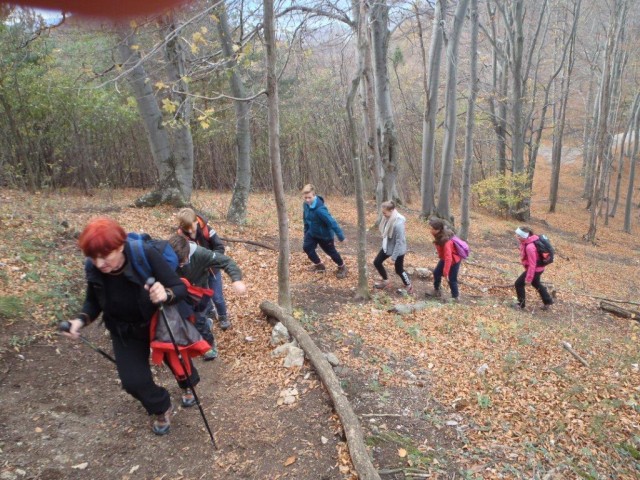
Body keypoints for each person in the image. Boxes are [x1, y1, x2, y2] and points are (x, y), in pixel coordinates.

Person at [62, 217, 194, 436]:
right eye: (93, 257)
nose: (99, 263)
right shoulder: (93, 268)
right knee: (132, 381)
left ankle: (187, 384)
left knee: (179, 361)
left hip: (157, 321)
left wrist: (166, 294)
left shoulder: (144, 254)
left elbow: (179, 288)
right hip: (123, 329)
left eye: (105, 256)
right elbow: (93, 301)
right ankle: (161, 405)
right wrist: (80, 320)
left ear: (120, 246)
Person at [167, 234, 247, 360]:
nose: (180, 266)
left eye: (183, 262)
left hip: (200, 292)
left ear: (188, 254)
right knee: (185, 319)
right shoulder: (165, 255)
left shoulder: (201, 254)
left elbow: (226, 262)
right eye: (178, 263)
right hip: (180, 292)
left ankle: (209, 345)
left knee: (199, 320)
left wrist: (236, 279)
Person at [176, 208, 232, 331]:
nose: (190, 231)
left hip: (213, 269)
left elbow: (219, 247)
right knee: (203, 295)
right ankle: (210, 311)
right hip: (197, 271)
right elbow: (181, 252)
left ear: (196, 221)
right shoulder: (180, 235)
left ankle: (223, 316)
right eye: (187, 228)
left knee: (217, 296)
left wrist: (211, 260)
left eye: (192, 227)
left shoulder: (207, 230)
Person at [301, 184, 348, 278]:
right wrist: (306, 232)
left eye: (309, 197)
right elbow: (306, 219)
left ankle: (342, 267)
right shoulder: (305, 205)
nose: (307, 200)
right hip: (312, 232)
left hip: (325, 235)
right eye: (305, 197)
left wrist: (341, 237)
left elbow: (332, 222)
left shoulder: (320, 209)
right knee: (307, 247)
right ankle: (319, 266)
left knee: (331, 252)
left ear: (314, 195)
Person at [373, 201, 413, 294]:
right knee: (377, 262)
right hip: (387, 247)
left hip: (398, 250)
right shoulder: (387, 218)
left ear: (391, 211)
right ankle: (386, 281)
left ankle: (409, 286)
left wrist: (394, 257)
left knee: (399, 269)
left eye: (384, 212)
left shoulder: (398, 224)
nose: (383, 214)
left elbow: (400, 242)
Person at [514, 226, 554, 310]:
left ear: (524, 236)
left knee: (518, 284)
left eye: (518, 236)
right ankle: (548, 301)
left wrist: (528, 278)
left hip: (535, 270)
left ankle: (521, 305)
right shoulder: (527, 241)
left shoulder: (530, 247)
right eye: (516, 235)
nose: (516, 236)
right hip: (539, 268)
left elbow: (533, 265)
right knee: (536, 283)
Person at [427, 219, 461, 301]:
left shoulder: (446, 241)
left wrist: (446, 272)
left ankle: (455, 297)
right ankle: (437, 290)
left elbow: (448, 258)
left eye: (432, 229)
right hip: (445, 258)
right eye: (430, 228)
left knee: (452, 279)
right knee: (436, 273)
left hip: (454, 261)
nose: (430, 230)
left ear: (438, 230)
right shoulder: (439, 235)